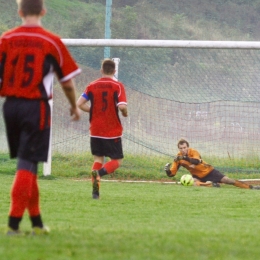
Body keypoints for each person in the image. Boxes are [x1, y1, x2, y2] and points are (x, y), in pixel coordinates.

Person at [0, 0, 81, 235]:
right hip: (36, 107)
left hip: (11, 106)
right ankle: (14, 225)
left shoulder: (5, 39)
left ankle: (36, 222)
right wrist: (74, 106)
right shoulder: (51, 41)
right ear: (43, 11)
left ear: (20, 12)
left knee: (29, 162)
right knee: (26, 163)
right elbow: (66, 81)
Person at [77, 58, 128, 199]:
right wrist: (125, 113)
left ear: (101, 70)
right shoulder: (118, 86)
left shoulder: (92, 85)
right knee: (117, 161)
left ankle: (95, 193)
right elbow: (122, 106)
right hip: (111, 130)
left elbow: (79, 103)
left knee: (98, 160)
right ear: (114, 71)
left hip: (95, 130)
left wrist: (93, 110)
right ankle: (99, 174)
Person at [164, 138, 260, 189]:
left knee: (228, 180)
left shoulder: (193, 152)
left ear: (188, 147)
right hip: (197, 176)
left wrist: (184, 157)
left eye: (185, 147)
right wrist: (168, 171)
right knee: (192, 183)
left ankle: (251, 187)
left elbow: (196, 161)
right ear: (179, 149)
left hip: (209, 171)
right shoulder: (178, 158)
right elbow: (172, 173)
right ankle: (211, 185)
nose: (183, 150)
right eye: (181, 148)